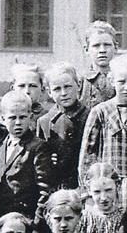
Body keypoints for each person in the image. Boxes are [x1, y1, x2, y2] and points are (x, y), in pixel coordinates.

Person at [78, 53, 127, 210]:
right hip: (105, 190)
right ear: (112, 80)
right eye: (121, 82)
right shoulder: (100, 112)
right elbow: (87, 155)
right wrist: (88, 193)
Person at [0, 89, 53, 228]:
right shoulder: (1, 144)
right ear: (3, 119)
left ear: (30, 116)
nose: (17, 123)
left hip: (27, 219)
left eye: (22, 117)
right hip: (3, 217)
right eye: (12, 118)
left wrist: (37, 225)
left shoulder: (38, 146)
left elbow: (45, 189)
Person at [37, 62, 90, 191]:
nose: (63, 93)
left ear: (78, 85)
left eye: (68, 87)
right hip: (57, 187)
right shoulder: (45, 122)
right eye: (57, 89)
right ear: (49, 92)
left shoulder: (91, 116)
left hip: (86, 184)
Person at [76, 161, 127, 233]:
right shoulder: (83, 218)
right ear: (89, 190)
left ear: (117, 187)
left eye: (108, 190)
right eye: (97, 192)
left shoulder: (125, 217)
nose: (103, 197)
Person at [79, 20, 119, 108]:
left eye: (107, 45)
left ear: (116, 48)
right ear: (86, 49)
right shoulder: (80, 82)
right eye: (96, 46)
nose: (102, 50)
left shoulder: (123, 80)